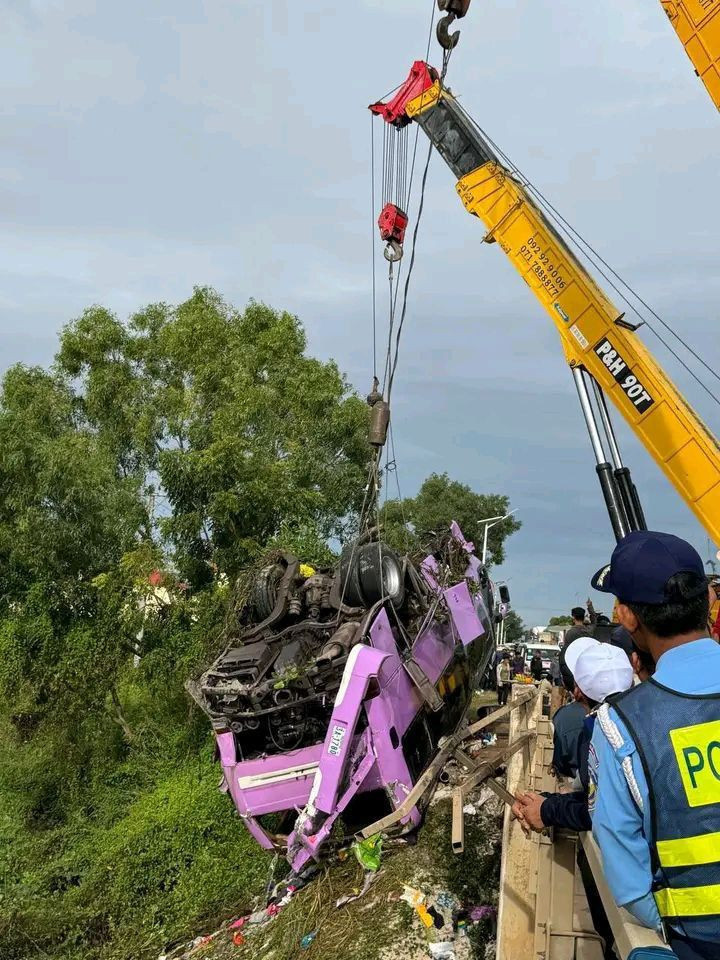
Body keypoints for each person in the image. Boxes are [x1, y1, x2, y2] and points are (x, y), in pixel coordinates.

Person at [589, 531, 720, 960]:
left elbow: (629, 881)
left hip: (697, 941)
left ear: (627, 617)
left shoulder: (621, 724)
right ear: (705, 601)